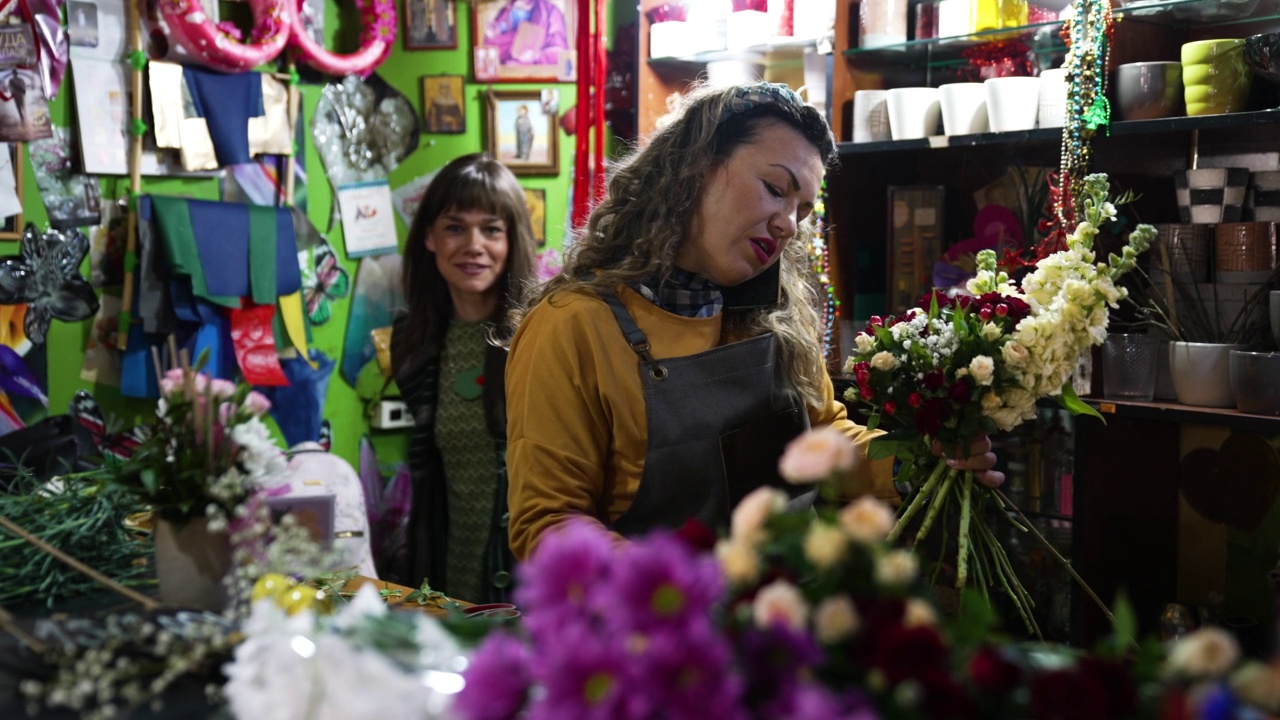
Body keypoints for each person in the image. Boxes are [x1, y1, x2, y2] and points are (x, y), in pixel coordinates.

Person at [504, 82, 1004, 560]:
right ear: (694, 167)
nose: (789, 223)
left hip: (785, 624)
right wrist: (667, 587)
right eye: (774, 188)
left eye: (802, 211)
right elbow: (549, 523)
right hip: (660, 633)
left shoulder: (772, 320)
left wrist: (914, 460)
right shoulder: (573, 327)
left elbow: (820, 439)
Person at [391, 153, 537, 602]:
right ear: (430, 238)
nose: (473, 245)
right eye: (455, 227)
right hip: (449, 587)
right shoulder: (412, 344)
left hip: (531, 587)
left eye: (491, 229)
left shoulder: (541, 335)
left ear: (512, 240)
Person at [484, 0, 568, 66]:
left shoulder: (551, 12)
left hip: (537, 76)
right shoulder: (506, 11)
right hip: (507, 77)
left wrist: (537, 55)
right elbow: (491, 52)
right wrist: (492, 36)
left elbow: (562, 54)